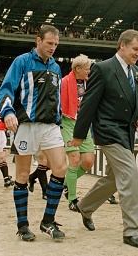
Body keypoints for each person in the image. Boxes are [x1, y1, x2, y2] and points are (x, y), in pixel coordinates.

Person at [69, 29, 138, 249]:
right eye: (135, 49)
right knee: (130, 174)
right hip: (108, 132)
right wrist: (79, 135)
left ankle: (85, 207)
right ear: (122, 45)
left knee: (115, 178)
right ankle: (133, 230)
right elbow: (88, 103)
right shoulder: (103, 69)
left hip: (127, 133)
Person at [0, 25, 67, 241]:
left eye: (55, 44)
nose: (52, 48)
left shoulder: (56, 67)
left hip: (50, 126)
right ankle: (22, 225)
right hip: (26, 125)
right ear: (38, 41)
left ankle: (47, 221)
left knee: (61, 168)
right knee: (21, 175)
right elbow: (6, 89)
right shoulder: (22, 62)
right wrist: (8, 111)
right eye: (49, 43)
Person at [60, 54, 94, 212]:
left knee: (87, 162)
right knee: (74, 159)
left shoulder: (90, 83)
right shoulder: (63, 83)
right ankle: (73, 199)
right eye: (87, 69)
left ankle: (67, 182)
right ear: (77, 68)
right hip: (67, 122)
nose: (89, 71)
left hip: (84, 124)